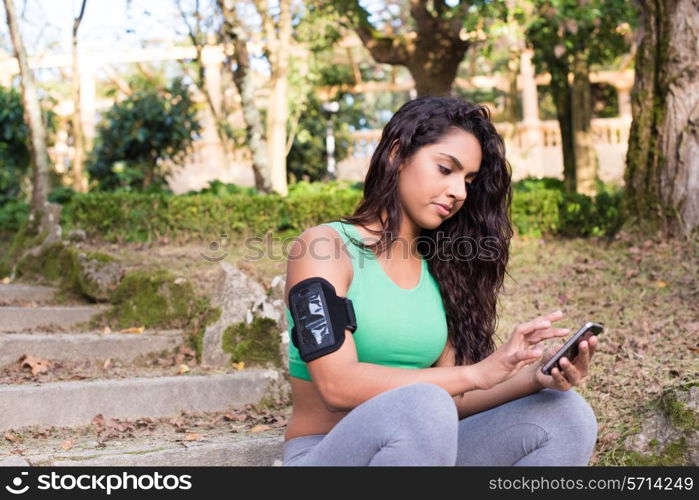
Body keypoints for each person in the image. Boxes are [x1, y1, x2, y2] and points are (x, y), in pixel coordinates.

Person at [281, 96, 599, 466]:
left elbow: (456, 398)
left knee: (564, 415)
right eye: (446, 169)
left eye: (468, 180)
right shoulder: (324, 247)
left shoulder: (440, 267)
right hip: (327, 453)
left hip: (423, 446)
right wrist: (476, 372)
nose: (460, 192)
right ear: (396, 155)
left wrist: (532, 377)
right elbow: (337, 385)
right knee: (424, 404)